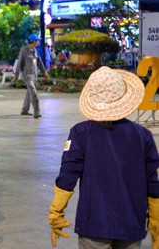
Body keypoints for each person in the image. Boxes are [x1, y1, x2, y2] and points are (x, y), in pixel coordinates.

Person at [48, 66, 159, 248]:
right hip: (131, 224)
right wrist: (155, 220)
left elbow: (68, 173)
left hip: (94, 225)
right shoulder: (143, 135)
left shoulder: (80, 133)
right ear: (124, 97)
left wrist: (56, 211)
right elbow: (152, 182)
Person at [13, 33, 48, 118]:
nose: (38, 42)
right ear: (32, 41)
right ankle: (37, 112)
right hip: (27, 76)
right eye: (37, 40)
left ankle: (24, 110)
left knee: (29, 93)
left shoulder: (35, 51)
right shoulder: (24, 50)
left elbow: (39, 62)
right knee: (33, 92)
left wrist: (44, 72)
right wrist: (16, 74)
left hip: (34, 75)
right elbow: (19, 63)